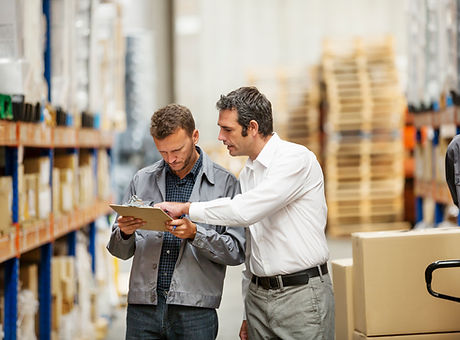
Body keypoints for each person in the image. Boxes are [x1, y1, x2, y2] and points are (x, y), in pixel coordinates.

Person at [156, 87, 334, 340]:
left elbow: (246, 211)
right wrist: (247, 312)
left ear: (251, 127)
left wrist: (186, 208)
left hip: (300, 296)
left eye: (227, 129)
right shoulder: (250, 172)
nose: (220, 136)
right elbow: (254, 248)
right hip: (259, 298)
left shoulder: (295, 160)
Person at [107, 104, 246, 340]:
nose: (171, 159)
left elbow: (236, 252)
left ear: (195, 136)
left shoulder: (226, 185)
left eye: (177, 150)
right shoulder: (142, 180)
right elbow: (118, 251)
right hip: (144, 309)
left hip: (195, 311)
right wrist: (125, 233)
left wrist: (195, 234)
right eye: (163, 152)